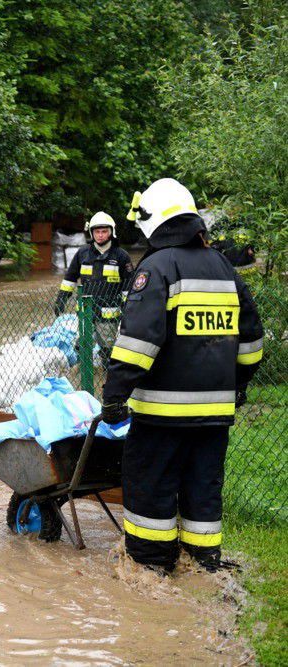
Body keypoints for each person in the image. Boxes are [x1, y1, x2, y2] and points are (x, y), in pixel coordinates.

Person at [100, 178, 264, 573]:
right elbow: (253, 342)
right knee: (202, 493)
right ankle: (203, 565)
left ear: (154, 220)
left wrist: (113, 397)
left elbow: (137, 344)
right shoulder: (224, 267)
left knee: (151, 493)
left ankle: (151, 572)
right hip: (214, 418)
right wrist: (237, 387)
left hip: (160, 418)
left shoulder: (156, 268)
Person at [54, 212, 134, 361]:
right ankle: (84, 372)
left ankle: (105, 371)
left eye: (104, 231)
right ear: (91, 232)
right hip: (86, 309)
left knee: (107, 347)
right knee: (82, 343)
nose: (100, 235)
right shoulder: (83, 253)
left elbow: (128, 284)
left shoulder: (121, 255)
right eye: (97, 231)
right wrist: (62, 298)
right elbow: (70, 277)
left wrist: (127, 306)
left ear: (111, 232)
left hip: (109, 311)